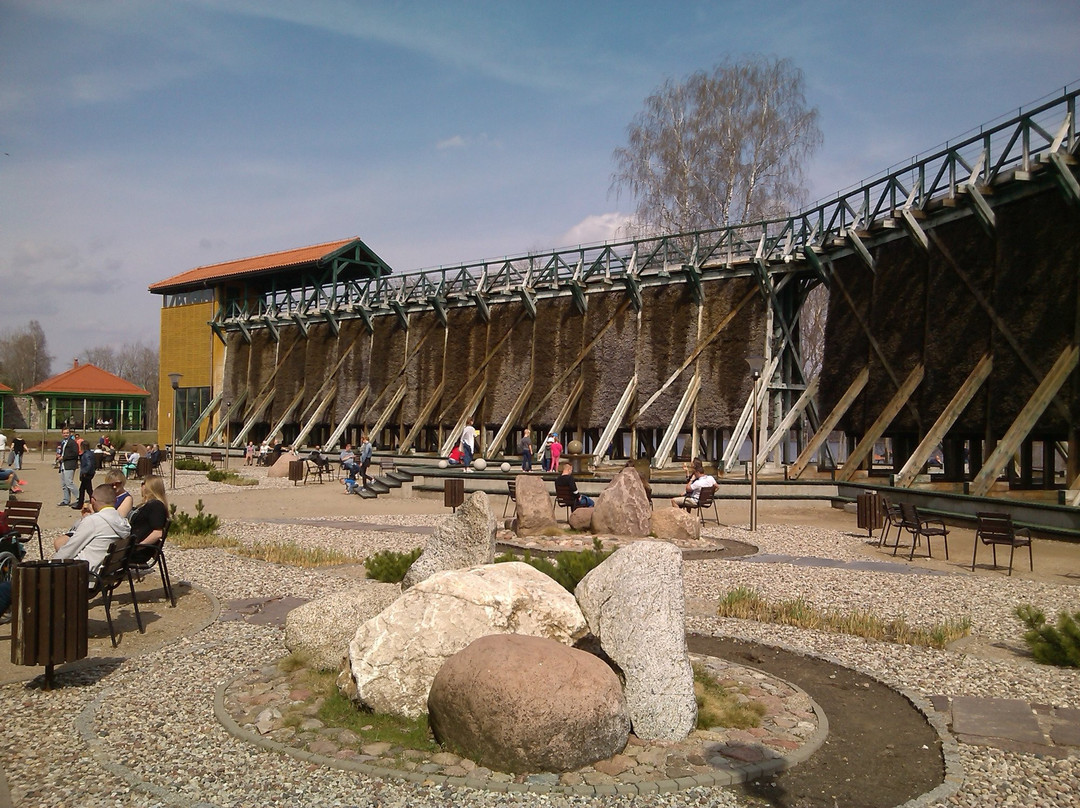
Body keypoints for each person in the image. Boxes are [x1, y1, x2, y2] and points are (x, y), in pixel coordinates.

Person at [0, 482, 131, 620]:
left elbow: (67, 552)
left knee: (10, 587)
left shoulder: (93, 522)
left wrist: (45, 566)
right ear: (115, 501)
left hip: (78, 577)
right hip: (100, 575)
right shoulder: (123, 523)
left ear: (92, 500)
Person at [129, 476, 169, 546]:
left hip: (139, 549)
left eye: (143, 484)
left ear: (147, 487)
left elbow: (157, 533)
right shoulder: (147, 505)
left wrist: (139, 545)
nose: (141, 487)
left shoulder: (156, 506)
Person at [57, 427, 79, 506]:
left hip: (69, 465)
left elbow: (75, 454)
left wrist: (64, 457)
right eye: (64, 433)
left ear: (70, 434)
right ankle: (66, 500)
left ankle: (79, 498)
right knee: (64, 484)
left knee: (69, 483)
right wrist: (59, 456)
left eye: (67, 433)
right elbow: (62, 452)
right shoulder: (63, 442)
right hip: (63, 465)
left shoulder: (73, 443)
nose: (65, 434)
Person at [73, 438, 97, 510]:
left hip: (86, 474)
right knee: (83, 489)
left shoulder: (86, 455)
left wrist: (84, 472)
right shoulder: (91, 453)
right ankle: (81, 503)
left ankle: (90, 503)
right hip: (90, 473)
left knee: (88, 490)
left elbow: (88, 464)